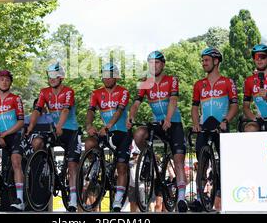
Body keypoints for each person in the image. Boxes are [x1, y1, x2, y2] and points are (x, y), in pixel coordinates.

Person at [127, 50, 188, 213]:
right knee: (139, 134)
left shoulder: (172, 80)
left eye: (157, 63)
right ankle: (150, 158)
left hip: (173, 122)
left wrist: (168, 118)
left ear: (163, 64)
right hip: (157, 123)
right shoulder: (145, 82)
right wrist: (130, 117)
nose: (154, 66)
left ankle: (181, 197)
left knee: (179, 160)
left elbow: (173, 100)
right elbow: (136, 103)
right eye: (151, 63)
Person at [26, 63, 81, 212]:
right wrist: (31, 126)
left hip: (69, 130)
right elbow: (37, 110)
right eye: (49, 76)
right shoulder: (44, 92)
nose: (52, 79)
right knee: (37, 142)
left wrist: (59, 126)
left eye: (55, 76)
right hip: (54, 129)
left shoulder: (68, 91)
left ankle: (73, 199)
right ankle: (47, 167)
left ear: (61, 77)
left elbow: (65, 110)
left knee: (71, 164)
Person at [191, 47, 238, 212]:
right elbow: (195, 107)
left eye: (207, 60)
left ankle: (223, 194)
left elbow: (234, 105)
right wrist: (196, 123)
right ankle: (199, 197)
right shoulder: (199, 84)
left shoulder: (227, 82)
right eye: (202, 60)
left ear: (216, 61)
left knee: (224, 162)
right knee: (201, 160)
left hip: (221, 124)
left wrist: (226, 120)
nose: (203, 63)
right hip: (205, 125)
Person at [85, 63, 132, 212]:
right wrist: (89, 125)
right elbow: (91, 110)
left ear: (116, 76)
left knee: (121, 166)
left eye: (110, 75)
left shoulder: (123, 91)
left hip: (122, 133)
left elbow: (119, 111)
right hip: (106, 132)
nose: (107, 78)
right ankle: (95, 167)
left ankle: (118, 199)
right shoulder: (96, 93)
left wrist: (108, 126)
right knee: (89, 144)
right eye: (104, 75)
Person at [0, 70, 25, 211]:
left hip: (14, 135)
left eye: (7, 80)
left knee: (15, 161)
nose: (4, 82)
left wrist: (5, 134)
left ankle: (20, 199)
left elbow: (21, 122)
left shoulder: (16, 99)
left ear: (10, 82)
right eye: (2, 79)